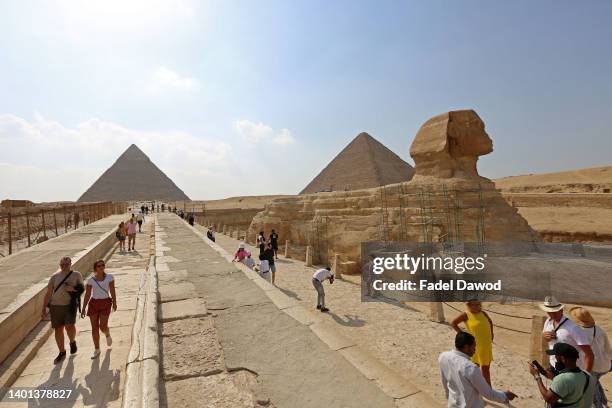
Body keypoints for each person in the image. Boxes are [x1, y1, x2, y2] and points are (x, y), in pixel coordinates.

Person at [439, 332, 517, 408]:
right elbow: (488, 393)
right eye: (474, 347)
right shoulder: (470, 368)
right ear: (466, 347)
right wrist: (505, 396)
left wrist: (450, 399)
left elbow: (445, 383)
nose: (475, 350)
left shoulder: (443, 357)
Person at [41, 257, 85, 364]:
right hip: (56, 306)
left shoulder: (76, 275)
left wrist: (72, 289)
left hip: (70, 305)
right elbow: (49, 293)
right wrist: (44, 308)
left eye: (66, 264)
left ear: (70, 264)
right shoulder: (54, 277)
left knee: (69, 326)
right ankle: (62, 351)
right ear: (60, 265)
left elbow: (82, 289)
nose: (64, 266)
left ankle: (72, 341)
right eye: (62, 265)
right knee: (58, 329)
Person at [528, 342, 595, 407]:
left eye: (556, 357)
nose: (555, 360)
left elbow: (548, 398)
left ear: (563, 358)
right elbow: (572, 387)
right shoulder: (588, 376)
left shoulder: (562, 379)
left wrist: (537, 376)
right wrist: (554, 377)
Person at [569, 306, 612, 407]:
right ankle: (605, 402)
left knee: (590, 390)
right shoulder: (599, 329)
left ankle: (599, 405)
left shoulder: (579, 331)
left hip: (592, 366)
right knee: (594, 381)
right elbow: (608, 349)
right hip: (605, 365)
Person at [540, 296, 594, 373]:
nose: (552, 314)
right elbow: (545, 338)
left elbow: (589, 354)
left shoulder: (574, 328)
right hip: (554, 364)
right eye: (549, 312)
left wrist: (586, 375)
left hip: (572, 370)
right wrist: (545, 337)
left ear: (561, 310)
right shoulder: (548, 321)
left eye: (554, 312)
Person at [451, 300, 494, 385]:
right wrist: (463, 335)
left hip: (485, 345)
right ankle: (475, 386)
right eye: (474, 305)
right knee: (474, 368)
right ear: (469, 305)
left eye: (478, 304)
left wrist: (492, 333)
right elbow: (454, 323)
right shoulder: (466, 315)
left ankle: (488, 389)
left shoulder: (483, 313)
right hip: (474, 346)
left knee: (486, 368)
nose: (477, 306)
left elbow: (490, 322)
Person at [81, 260, 117, 359]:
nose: (101, 267)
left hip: (105, 303)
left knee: (103, 326)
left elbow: (112, 290)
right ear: (95, 268)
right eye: (99, 265)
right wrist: (84, 307)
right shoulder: (90, 280)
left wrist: (115, 302)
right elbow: (87, 294)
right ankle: (97, 349)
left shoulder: (110, 278)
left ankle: (107, 334)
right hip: (94, 304)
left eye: (103, 265)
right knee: (94, 328)